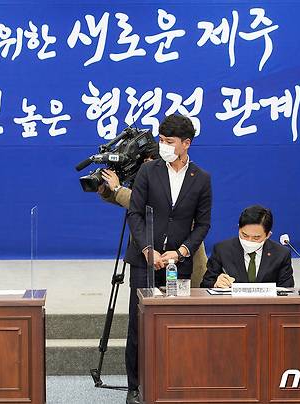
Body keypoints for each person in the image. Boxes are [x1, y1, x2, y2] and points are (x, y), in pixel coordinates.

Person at [123, 114, 212, 404]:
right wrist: (147, 249)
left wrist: (182, 251)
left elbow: (203, 224)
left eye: (169, 141)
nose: (163, 145)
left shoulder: (202, 179)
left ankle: (174, 381)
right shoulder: (148, 172)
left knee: (175, 323)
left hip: (178, 264)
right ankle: (135, 387)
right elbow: (135, 213)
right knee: (138, 324)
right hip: (144, 261)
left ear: (186, 144)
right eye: (161, 140)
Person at [97, 167, 208, 287]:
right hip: (144, 257)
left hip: (180, 256)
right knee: (141, 298)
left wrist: (118, 189)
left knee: (176, 298)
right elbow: (136, 205)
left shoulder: (184, 178)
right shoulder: (146, 174)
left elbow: (152, 203)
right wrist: (107, 190)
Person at [201, 205, 294, 288]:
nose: (249, 241)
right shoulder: (222, 250)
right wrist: (216, 283)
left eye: (256, 237)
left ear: (268, 235)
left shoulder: (281, 254)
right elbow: (206, 283)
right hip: (232, 302)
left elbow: (287, 289)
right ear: (239, 228)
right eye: (244, 235)